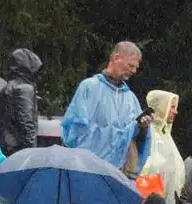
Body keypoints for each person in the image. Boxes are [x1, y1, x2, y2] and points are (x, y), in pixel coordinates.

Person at [62, 42, 149, 176]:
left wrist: (142, 127)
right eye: (131, 65)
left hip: (116, 174)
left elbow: (136, 140)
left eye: (136, 67)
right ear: (116, 58)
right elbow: (72, 133)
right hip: (85, 170)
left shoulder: (130, 98)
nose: (134, 71)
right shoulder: (89, 87)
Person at [0, 48, 42, 157]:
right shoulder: (24, 89)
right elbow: (26, 123)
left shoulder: (5, 89)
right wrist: (32, 153)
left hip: (5, 146)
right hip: (19, 149)